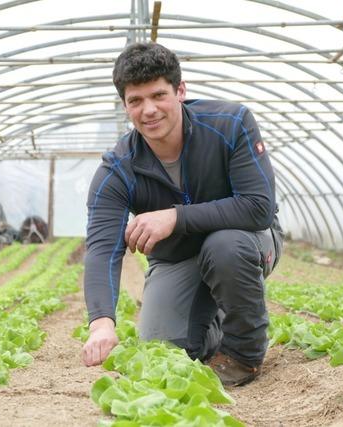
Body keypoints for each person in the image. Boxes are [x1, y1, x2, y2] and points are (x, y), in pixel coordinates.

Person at [81, 42, 283, 387]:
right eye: (136, 101)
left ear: (180, 91)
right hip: (176, 260)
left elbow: (258, 207)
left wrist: (174, 217)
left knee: (224, 247)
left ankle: (244, 354)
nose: (149, 110)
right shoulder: (118, 169)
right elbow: (102, 248)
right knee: (164, 348)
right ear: (125, 105)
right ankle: (214, 319)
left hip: (244, 240)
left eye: (158, 95)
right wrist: (101, 322)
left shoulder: (231, 124)